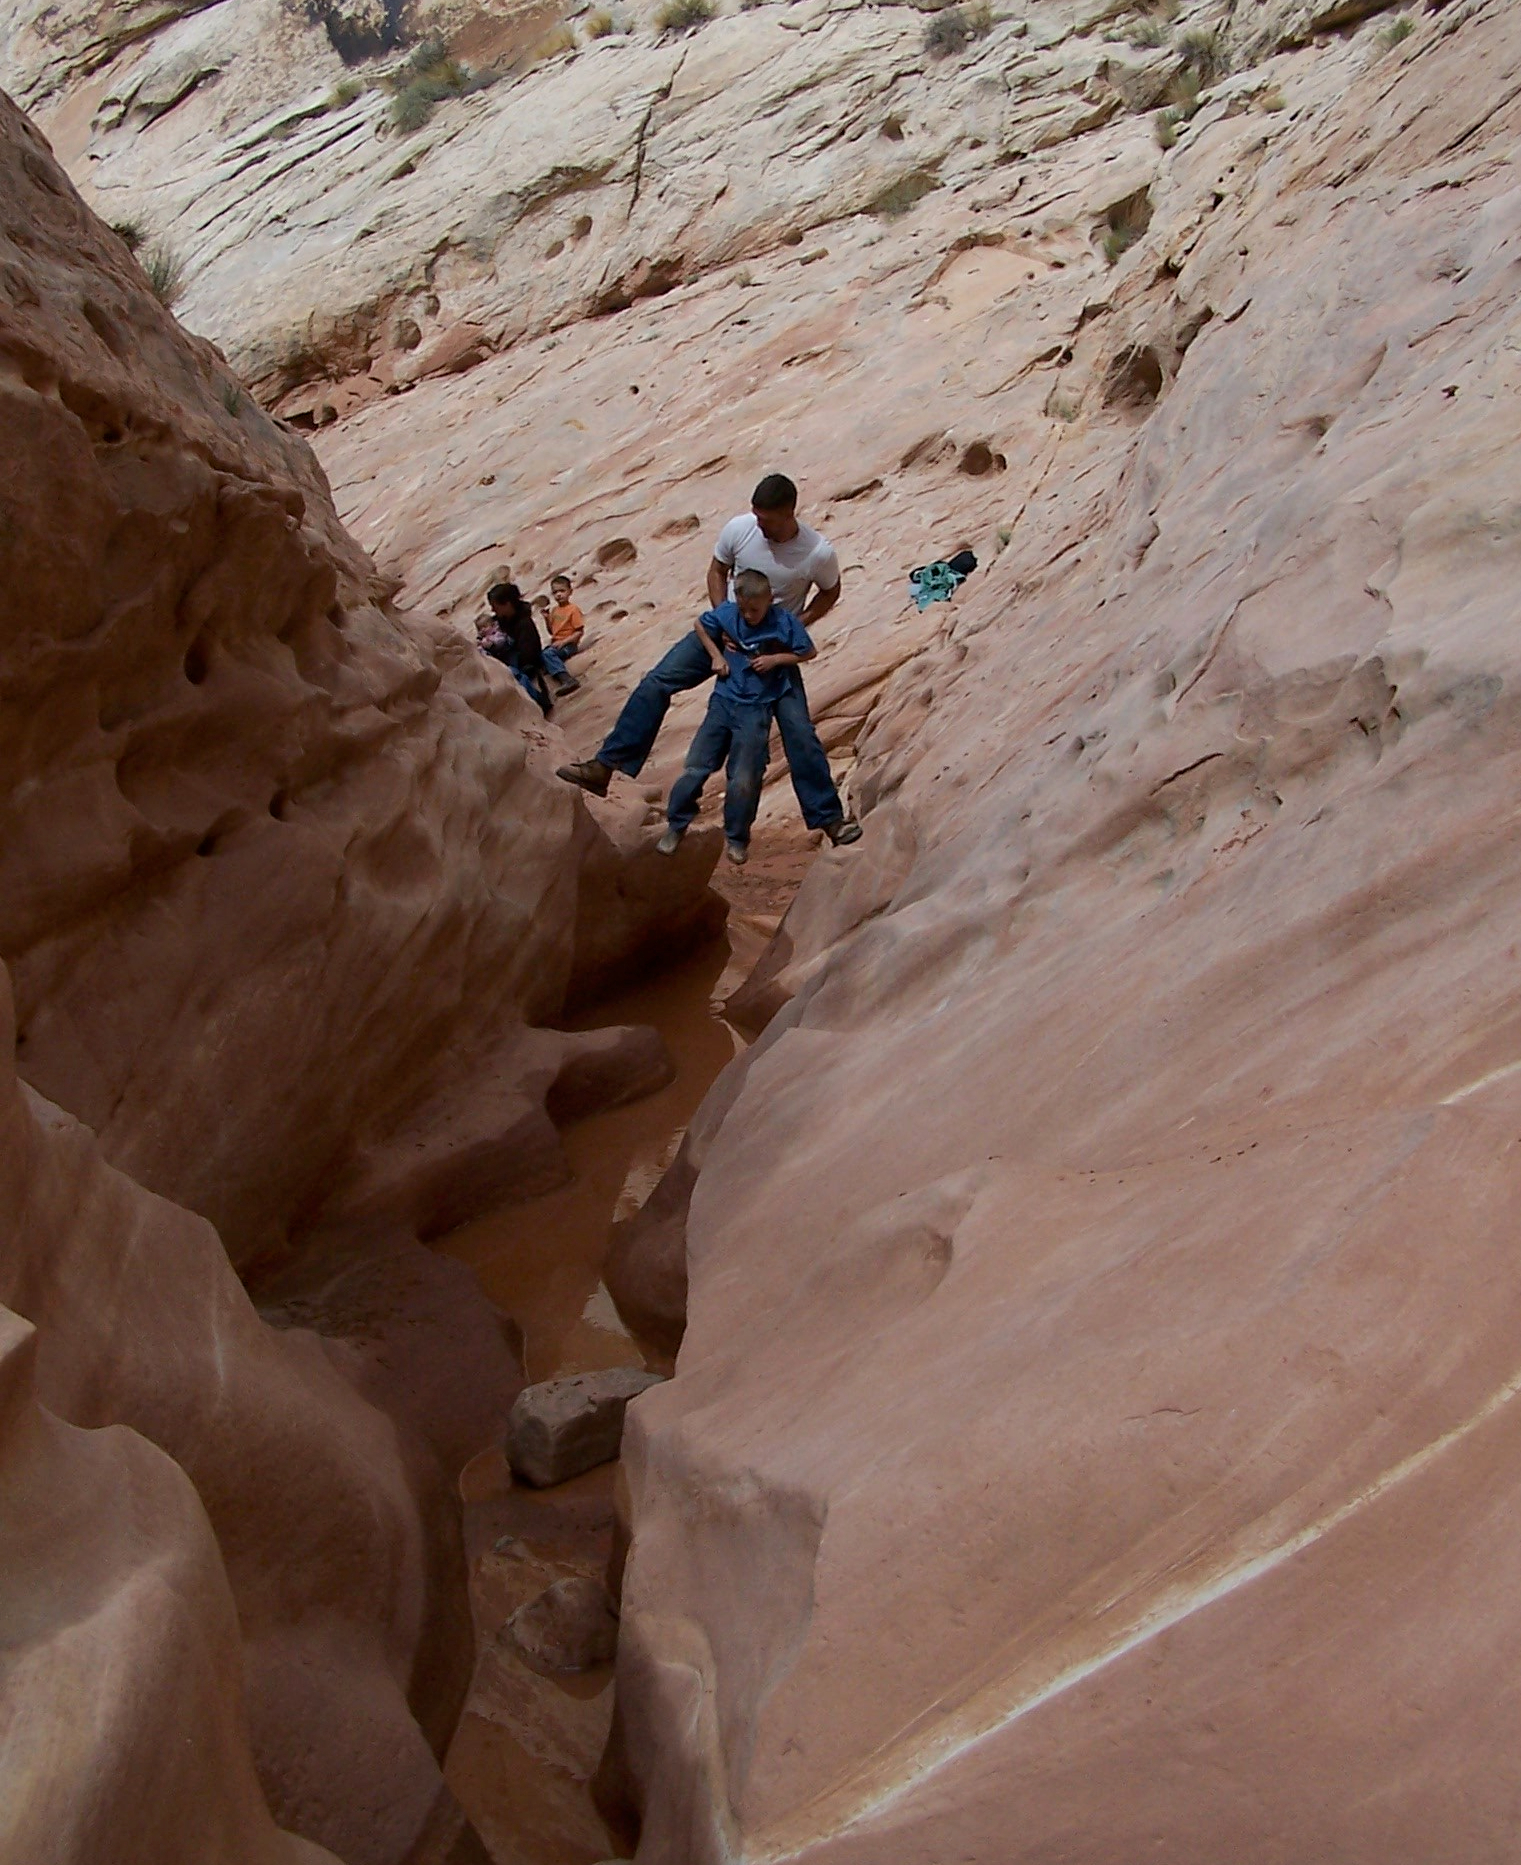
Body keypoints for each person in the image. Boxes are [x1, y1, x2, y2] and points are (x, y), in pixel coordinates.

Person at [556, 474, 862, 846]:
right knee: (658, 681)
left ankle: (830, 820)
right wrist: (725, 619)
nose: (759, 525)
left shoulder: (816, 552)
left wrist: (796, 625)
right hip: (725, 632)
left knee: (799, 730)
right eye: (756, 516)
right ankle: (605, 767)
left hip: (769, 648)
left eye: (766, 519)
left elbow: (831, 592)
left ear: (789, 513)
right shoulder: (741, 528)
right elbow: (717, 570)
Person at [658, 570, 811, 866]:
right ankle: (676, 824)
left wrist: (775, 659)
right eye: (743, 608)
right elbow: (701, 624)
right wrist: (716, 656)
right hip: (723, 704)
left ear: (770, 600)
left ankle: (737, 837)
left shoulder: (783, 623)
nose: (749, 615)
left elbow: (808, 651)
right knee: (695, 767)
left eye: (755, 609)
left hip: (757, 709)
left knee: (744, 778)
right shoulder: (729, 614)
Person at [483, 582, 558, 716]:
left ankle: (540, 702)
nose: (493, 610)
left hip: (524, 665)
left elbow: (530, 652)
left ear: (507, 604)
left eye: (495, 606)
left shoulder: (524, 624)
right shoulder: (499, 622)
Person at [547, 575, 586, 659]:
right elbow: (552, 631)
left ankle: (560, 672)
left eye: (562, 591)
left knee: (549, 655)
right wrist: (546, 618)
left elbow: (579, 632)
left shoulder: (573, 609)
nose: (559, 594)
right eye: (555, 592)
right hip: (555, 644)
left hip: (569, 646)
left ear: (570, 591)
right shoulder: (554, 610)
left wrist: (563, 642)